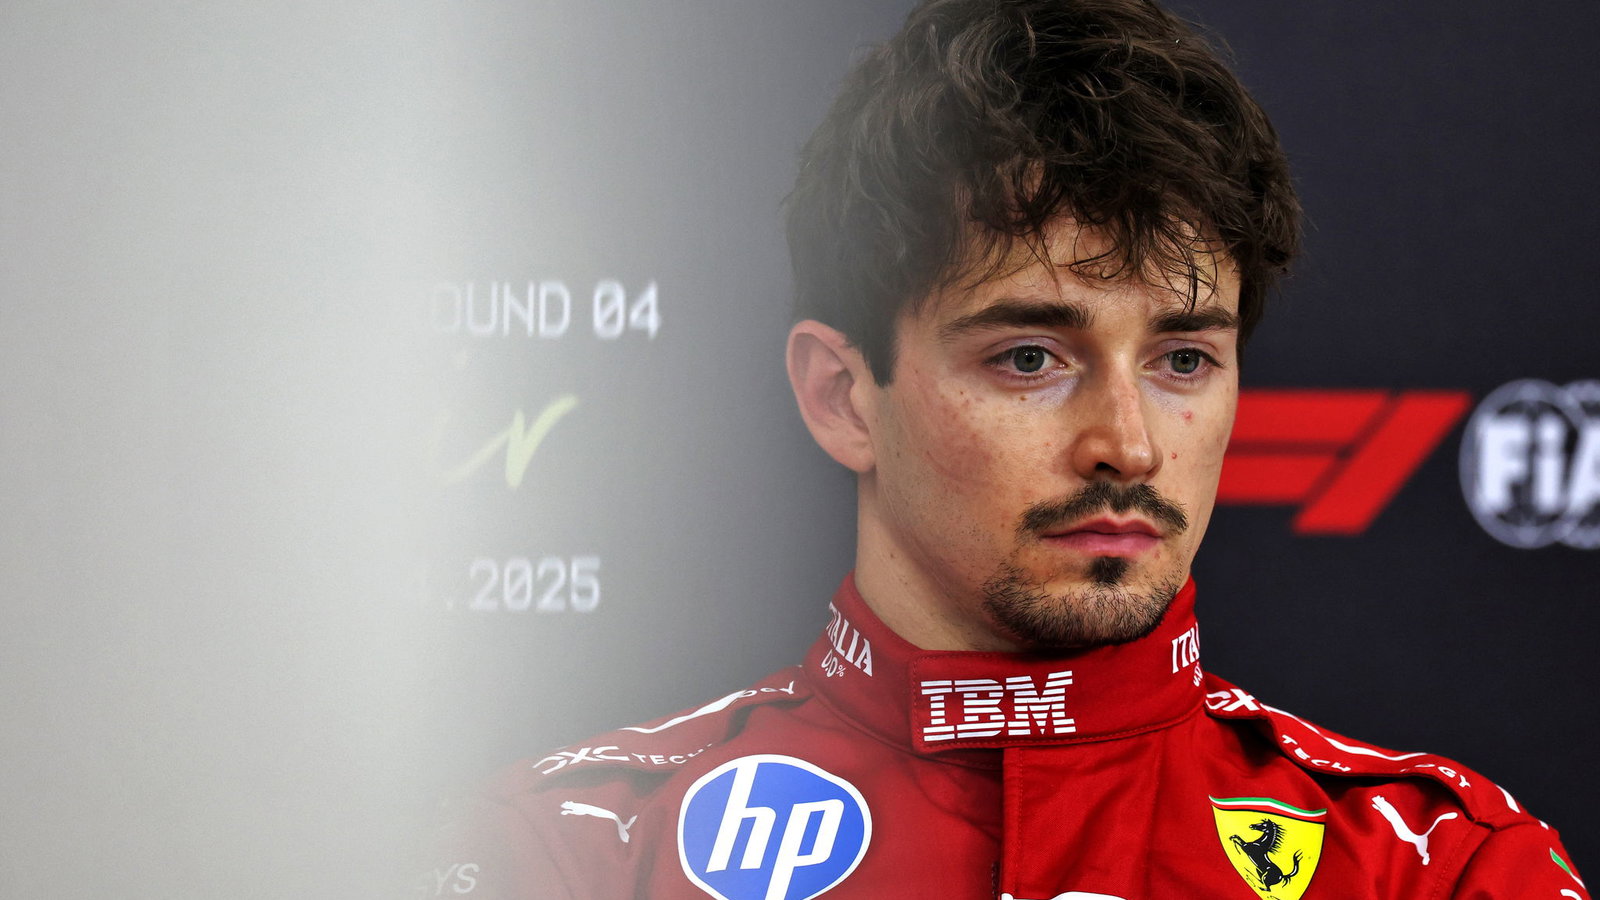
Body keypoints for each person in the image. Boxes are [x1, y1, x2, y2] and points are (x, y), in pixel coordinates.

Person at [424, 1, 1588, 897]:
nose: (1126, 444)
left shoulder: (1437, 869)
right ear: (841, 397)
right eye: (1031, 358)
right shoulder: (572, 855)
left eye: (1182, 359)